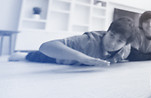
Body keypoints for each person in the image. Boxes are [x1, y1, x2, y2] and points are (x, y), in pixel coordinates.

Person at [9, 17, 137, 66]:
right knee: (34, 56)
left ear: (125, 44)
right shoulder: (87, 41)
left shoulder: (126, 49)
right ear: (107, 31)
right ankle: (22, 54)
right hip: (58, 59)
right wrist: (82, 58)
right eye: (111, 35)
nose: (112, 43)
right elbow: (45, 46)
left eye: (119, 41)